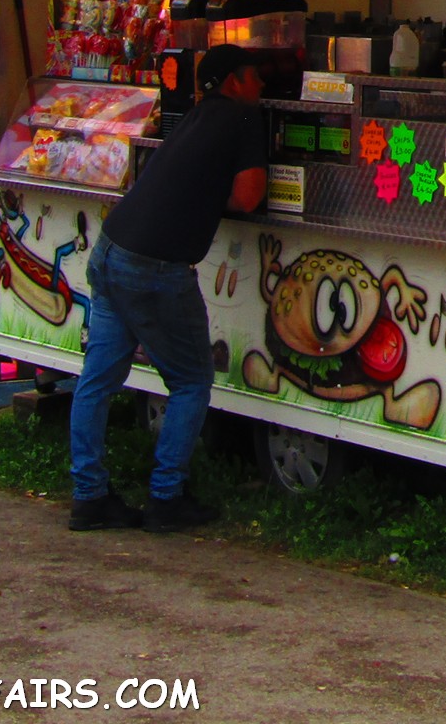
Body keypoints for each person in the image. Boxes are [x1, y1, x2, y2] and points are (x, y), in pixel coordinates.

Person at [68, 45, 267, 534]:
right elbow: (248, 196)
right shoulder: (244, 122)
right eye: (255, 77)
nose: (262, 85)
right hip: (156, 267)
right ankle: (165, 498)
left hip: (112, 249)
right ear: (235, 82)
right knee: (192, 380)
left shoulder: (195, 118)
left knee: (96, 381)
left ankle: (89, 497)